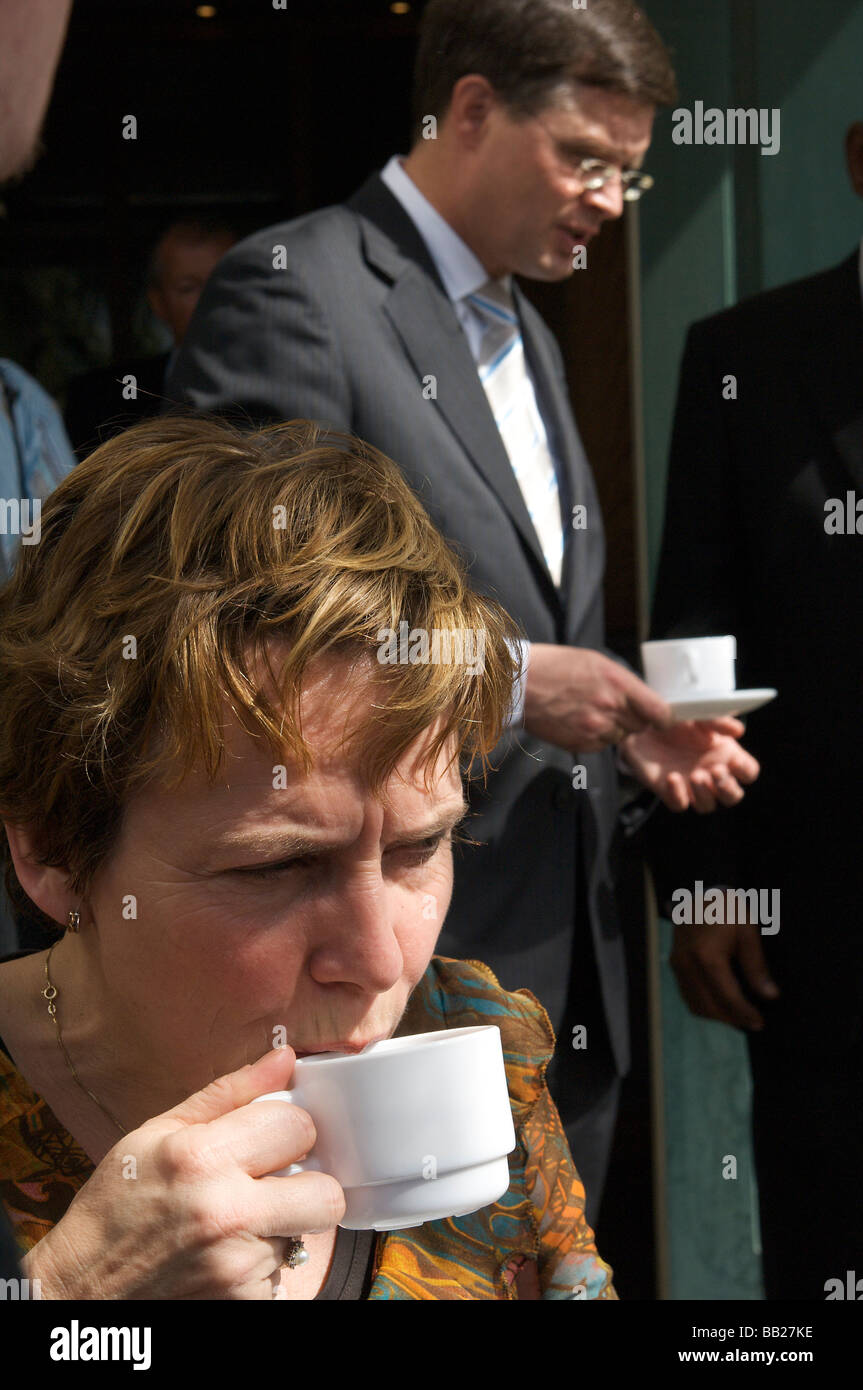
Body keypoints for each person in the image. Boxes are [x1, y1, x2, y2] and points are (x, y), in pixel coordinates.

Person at [168, 0, 759, 1223]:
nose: (605, 199)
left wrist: (614, 725)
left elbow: (526, 619)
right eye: (584, 159)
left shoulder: (529, 334)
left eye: (626, 176)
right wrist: (509, 680)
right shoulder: (296, 288)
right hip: (391, 981)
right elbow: (236, 607)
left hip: (562, 965)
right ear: (474, 108)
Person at [0, 414, 617, 1300]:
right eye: (278, 868)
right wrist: (67, 1296)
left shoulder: (474, 1037)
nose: (377, 960)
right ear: (54, 853)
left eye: (418, 847)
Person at [646, 124, 863, 1301]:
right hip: (819, 936)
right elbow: (693, 633)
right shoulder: (746, 355)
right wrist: (706, 883)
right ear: (856, 158)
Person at [64, 218, 236, 459]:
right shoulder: (98, 401)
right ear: (158, 302)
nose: (210, 300)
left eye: (225, 283)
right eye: (189, 288)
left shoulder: (291, 387)